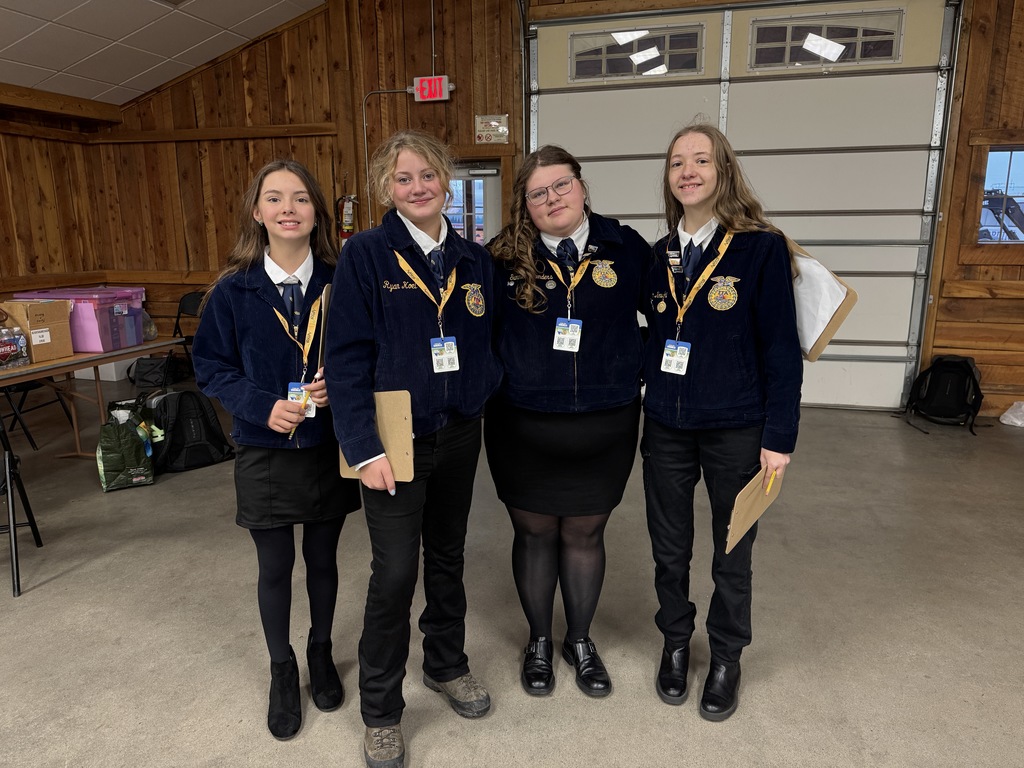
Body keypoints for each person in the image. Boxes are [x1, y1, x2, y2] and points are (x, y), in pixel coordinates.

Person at [325, 130, 501, 768]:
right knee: (395, 572)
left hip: (458, 433)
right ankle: (381, 710)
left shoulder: (473, 259)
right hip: (392, 444)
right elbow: (343, 359)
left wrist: (481, 391)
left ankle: (446, 665)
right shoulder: (366, 256)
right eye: (403, 179)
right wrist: (362, 447)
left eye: (427, 175)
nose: (417, 187)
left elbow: (491, 341)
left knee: (449, 556)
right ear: (386, 189)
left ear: (445, 181)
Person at [193, 159, 362, 740]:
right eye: (274, 198)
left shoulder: (343, 282)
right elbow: (210, 366)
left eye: (300, 198)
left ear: (317, 213)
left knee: (322, 559)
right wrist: (260, 404)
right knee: (275, 565)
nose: (288, 208)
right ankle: (282, 667)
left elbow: (368, 353)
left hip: (324, 444)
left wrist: (337, 388)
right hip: (264, 447)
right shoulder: (232, 291)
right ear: (258, 213)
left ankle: (320, 651)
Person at [640, 124, 802, 721]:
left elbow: (781, 351)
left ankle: (728, 655)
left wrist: (778, 438)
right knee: (669, 548)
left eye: (701, 160)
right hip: (666, 426)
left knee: (733, 550)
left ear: (723, 170)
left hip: (737, 426)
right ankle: (677, 643)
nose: (688, 171)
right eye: (677, 161)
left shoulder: (760, 248)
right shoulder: (659, 256)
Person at [485, 145, 649, 699]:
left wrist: (634, 361)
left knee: (584, 533)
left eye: (561, 185)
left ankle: (579, 641)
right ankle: (538, 640)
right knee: (533, 534)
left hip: (605, 424)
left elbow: (678, 308)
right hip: (522, 425)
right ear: (524, 205)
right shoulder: (501, 257)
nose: (552, 198)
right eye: (538, 192)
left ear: (582, 187)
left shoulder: (626, 248)